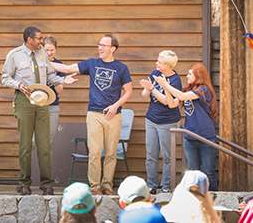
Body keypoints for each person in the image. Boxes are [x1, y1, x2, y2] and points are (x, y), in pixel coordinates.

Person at [51, 34, 133, 195]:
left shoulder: (121, 68)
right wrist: (44, 62)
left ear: (113, 49)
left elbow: (128, 91)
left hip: (113, 116)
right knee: (95, 152)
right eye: (99, 44)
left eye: (104, 45)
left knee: (111, 153)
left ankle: (107, 185)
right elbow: (67, 69)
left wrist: (115, 106)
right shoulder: (92, 64)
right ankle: (95, 187)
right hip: (94, 114)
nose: (100, 47)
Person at [2, 26, 77, 195]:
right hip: (24, 100)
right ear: (29, 39)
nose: (41, 42)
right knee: (26, 144)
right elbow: (5, 77)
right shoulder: (14, 55)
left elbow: (50, 76)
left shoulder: (42, 53)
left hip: (43, 100)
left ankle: (46, 184)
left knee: (44, 145)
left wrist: (64, 80)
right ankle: (24, 182)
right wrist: (18, 85)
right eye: (38, 38)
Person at [154, 62, 218, 191]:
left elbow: (182, 96)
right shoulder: (188, 90)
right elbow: (172, 104)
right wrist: (165, 88)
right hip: (190, 136)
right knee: (192, 172)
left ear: (198, 75)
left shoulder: (203, 90)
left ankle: (213, 199)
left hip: (205, 137)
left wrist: (165, 84)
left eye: (190, 74)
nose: (187, 76)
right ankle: (193, 198)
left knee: (208, 171)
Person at [139, 50, 182, 194]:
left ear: (167, 65)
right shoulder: (154, 73)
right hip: (151, 119)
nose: (156, 63)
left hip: (168, 122)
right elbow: (145, 95)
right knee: (151, 155)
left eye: (159, 61)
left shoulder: (175, 80)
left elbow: (166, 101)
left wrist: (152, 89)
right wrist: (146, 88)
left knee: (167, 156)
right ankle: (151, 185)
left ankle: (165, 186)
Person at [43, 36, 65, 149]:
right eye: (47, 50)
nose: (49, 53)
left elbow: (59, 90)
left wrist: (53, 77)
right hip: (36, 106)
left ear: (56, 49)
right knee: (33, 141)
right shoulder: (36, 63)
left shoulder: (59, 65)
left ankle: (46, 167)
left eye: (52, 50)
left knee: (49, 141)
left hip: (52, 106)